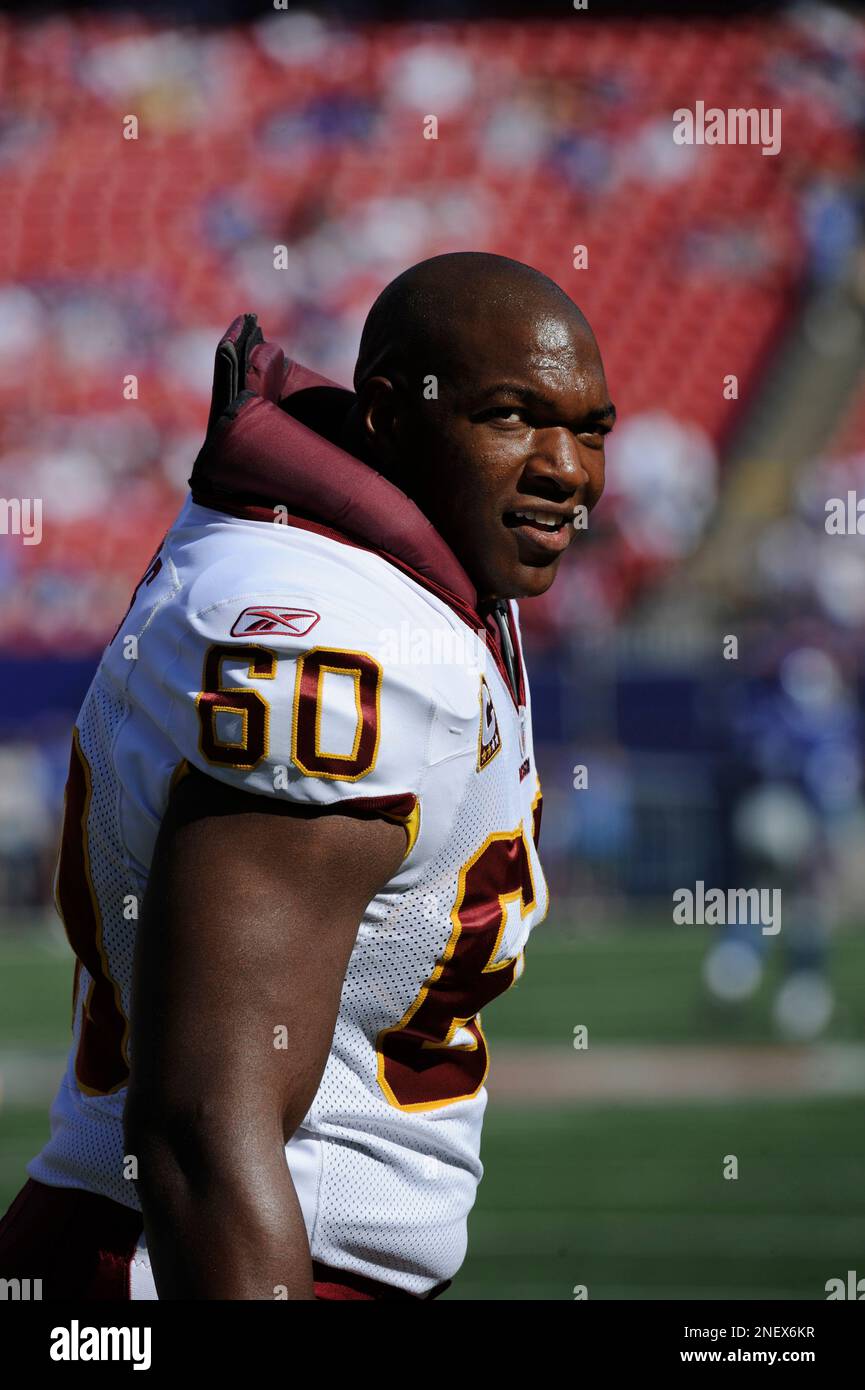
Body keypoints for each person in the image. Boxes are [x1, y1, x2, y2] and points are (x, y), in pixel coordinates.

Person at [0, 252, 614, 1300]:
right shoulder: (338, 640)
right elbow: (201, 1131)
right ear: (390, 416)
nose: (566, 465)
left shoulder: (412, 562)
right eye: (513, 416)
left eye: (590, 426)